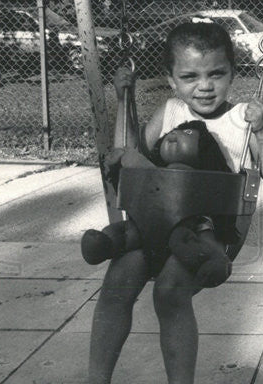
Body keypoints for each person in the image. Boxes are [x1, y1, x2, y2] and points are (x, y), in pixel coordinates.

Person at [50, 21, 263, 384]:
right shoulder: (172, 111)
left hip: (206, 234)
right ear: (173, 79)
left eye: (216, 74)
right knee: (117, 283)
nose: (204, 87)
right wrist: (124, 98)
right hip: (155, 223)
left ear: (233, 72)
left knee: (170, 291)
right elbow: (130, 153)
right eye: (191, 77)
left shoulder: (241, 119)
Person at [80, 118, 237, 289]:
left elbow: (155, 177)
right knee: (127, 232)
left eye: (188, 133)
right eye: (171, 132)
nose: (175, 133)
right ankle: (104, 244)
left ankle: (213, 262)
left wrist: (132, 159)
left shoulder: (193, 173)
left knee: (199, 239)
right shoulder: (157, 166)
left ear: (202, 151)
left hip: (186, 225)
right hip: (149, 224)